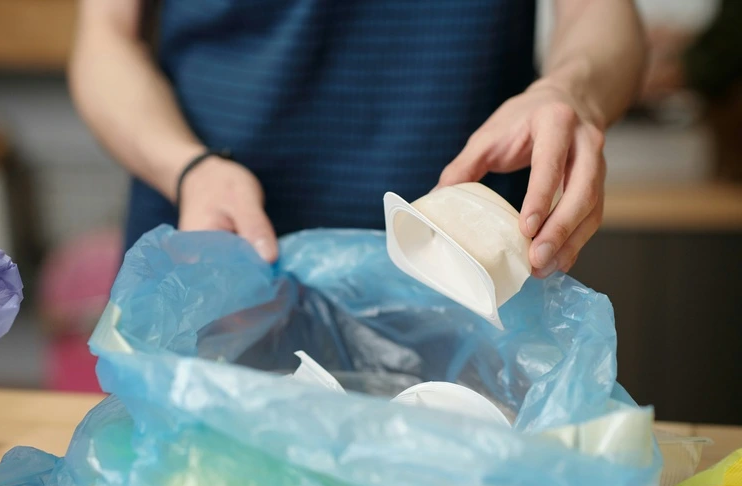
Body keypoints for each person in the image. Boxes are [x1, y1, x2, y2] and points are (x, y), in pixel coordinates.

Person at [69, 0, 646, 278]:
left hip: (466, 279)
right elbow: (105, 37)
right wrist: (186, 166)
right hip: (214, 252)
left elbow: (601, 12)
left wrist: (573, 91)